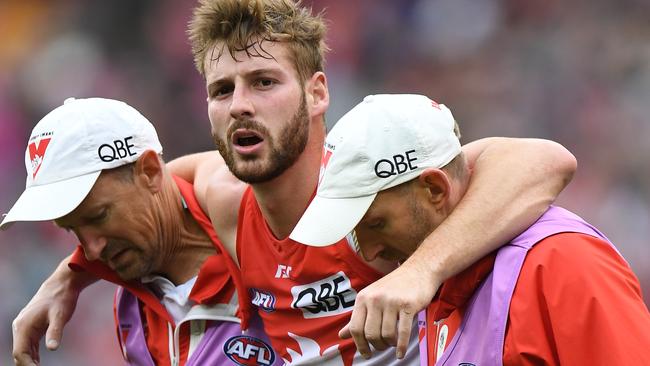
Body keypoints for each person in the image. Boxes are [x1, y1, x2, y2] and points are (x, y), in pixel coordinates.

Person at [11, 1, 578, 365]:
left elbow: (545, 161)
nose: (240, 106)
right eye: (222, 90)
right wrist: (71, 275)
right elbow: (143, 186)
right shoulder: (227, 203)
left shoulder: (373, 192)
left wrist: (420, 272)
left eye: (263, 82)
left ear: (317, 93)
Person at [290, 93, 650, 365]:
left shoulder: (561, 262)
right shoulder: (439, 288)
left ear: (434, 189)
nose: (369, 254)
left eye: (376, 224)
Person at [2, 97, 280, 366]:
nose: (91, 250)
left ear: (149, 172)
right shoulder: (130, 308)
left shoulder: (267, 231)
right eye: (71, 229)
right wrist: (67, 276)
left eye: (99, 216)